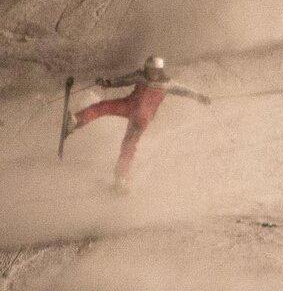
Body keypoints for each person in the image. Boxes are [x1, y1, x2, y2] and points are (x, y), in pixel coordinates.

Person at [65, 56, 211, 191]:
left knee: (128, 144)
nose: (152, 73)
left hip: (142, 117)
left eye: (155, 71)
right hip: (128, 105)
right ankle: (76, 121)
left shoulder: (167, 84)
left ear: (160, 71)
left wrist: (200, 97)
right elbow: (123, 80)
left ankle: (121, 177)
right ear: (146, 69)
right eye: (150, 70)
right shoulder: (140, 76)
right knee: (103, 106)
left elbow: (184, 91)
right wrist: (108, 83)